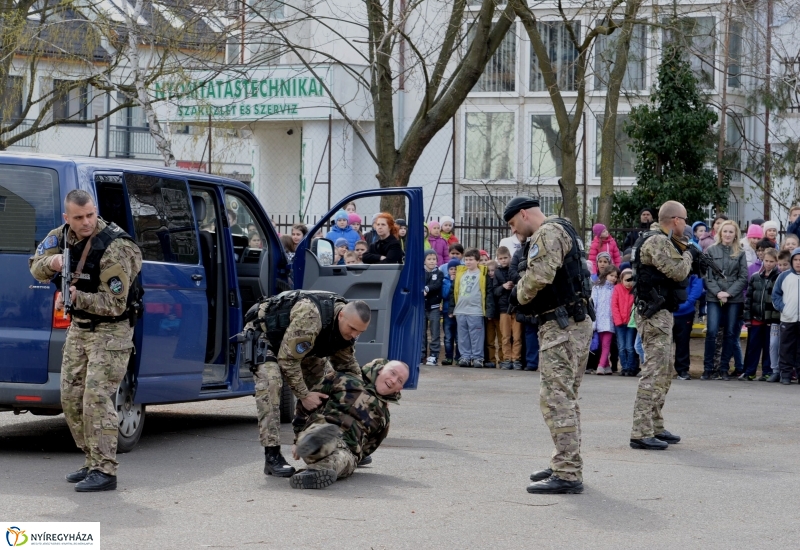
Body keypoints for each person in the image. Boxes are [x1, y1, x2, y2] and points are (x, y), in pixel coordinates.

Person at [28, 189, 143, 492]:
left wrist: (79, 298)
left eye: (90, 214)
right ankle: (92, 459)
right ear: (67, 218)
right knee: (70, 397)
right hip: (80, 329)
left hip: (112, 330)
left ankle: (106, 470)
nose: (86, 222)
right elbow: (35, 266)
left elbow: (115, 304)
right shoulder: (61, 236)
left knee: (96, 398)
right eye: (79, 217)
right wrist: (52, 263)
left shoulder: (115, 247)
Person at [504, 197, 594, 494]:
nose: (516, 231)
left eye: (514, 224)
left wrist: (517, 293)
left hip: (562, 326)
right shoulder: (564, 227)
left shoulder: (547, 232)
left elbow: (540, 276)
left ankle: (567, 473)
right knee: (565, 398)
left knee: (555, 400)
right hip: (573, 323)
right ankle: (564, 463)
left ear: (523, 213)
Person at [239, 290, 371, 478]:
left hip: (298, 344)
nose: (354, 335)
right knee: (271, 383)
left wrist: (365, 395)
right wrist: (304, 395)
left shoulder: (345, 329)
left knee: (329, 385)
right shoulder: (311, 316)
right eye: (352, 328)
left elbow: (347, 366)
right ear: (341, 315)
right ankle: (272, 456)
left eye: (360, 332)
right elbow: (287, 360)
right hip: (267, 338)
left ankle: (339, 445)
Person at [628, 200, 695, 452]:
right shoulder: (657, 241)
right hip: (654, 315)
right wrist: (689, 253)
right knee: (653, 372)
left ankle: (655, 424)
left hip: (662, 313)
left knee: (665, 371)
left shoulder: (663, 240)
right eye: (684, 219)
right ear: (675, 220)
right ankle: (640, 431)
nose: (686, 224)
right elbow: (677, 271)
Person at [289, 359, 408, 489]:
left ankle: (313, 474)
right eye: (392, 373)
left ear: (399, 388)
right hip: (324, 428)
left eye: (400, 381)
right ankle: (310, 444)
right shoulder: (346, 379)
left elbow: (369, 446)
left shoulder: (384, 417)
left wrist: (357, 455)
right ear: (380, 370)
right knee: (323, 437)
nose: (394, 380)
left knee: (340, 460)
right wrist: (297, 436)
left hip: (347, 448)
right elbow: (307, 402)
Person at [702, 220, 748, 380]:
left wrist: (728, 293)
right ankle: (708, 368)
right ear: (720, 233)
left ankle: (723, 368)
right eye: (725, 231)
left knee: (730, 333)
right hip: (714, 297)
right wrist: (718, 293)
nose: (728, 234)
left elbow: (743, 277)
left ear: (735, 234)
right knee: (712, 332)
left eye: (731, 232)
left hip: (733, 299)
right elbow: (707, 276)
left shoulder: (740, 252)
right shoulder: (711, 250)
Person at [448, 248, 492, 368]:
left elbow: (488, 293)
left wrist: (489, 310)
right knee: (463, 336)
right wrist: (452, 309)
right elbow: (453, 292)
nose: (468, 262)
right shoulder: (460, 274)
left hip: (475, 311)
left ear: (477, 260)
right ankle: (465, 356)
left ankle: (478, 357)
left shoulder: (482, 274)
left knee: (476, 335)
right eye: (466, 259)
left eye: (471, 260)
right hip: (460, 310)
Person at [742, 248, 780, 381]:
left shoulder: (779, 278)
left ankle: (767, 372)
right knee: (753, 346)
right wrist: (747, 318)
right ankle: (750, 372)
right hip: (756, 318)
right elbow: (749, 299)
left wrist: (775, 319)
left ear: (776, 262)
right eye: (766, 261)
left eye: (771, 261)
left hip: (771, 319)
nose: (768, 264)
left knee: (769, 347)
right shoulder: (755, 277)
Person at [771, 247, 800, 385]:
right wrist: (784, 308)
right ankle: (786, 374)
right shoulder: (784, 276)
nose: (798, 262)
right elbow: (776, 295)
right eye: (795, 260)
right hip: (788, 319)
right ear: (792, 261)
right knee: (786, 348)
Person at [510, 244, 539, 372]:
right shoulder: (519, 252)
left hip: (542, 293)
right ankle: (531, 362)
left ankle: (544, 363)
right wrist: (525, 282)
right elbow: (512, 271)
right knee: (529, 330)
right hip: (526, 296)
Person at [493, 246, 522, 370]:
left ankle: (516, 358)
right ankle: (507, 358)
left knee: (517, 336)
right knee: (505, 336)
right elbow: (494, 291)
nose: (503, 260)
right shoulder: (497, 272)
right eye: (501, 258)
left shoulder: (514, 270)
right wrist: (503, 286)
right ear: (498, 260)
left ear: (510, 257)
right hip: (504, 308)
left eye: (505, 258)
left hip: (516, 306)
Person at [671, 271, 704, 380]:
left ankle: (682, 369)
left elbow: (697, 286)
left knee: (683, 342)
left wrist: (687, 303)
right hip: (666, 311)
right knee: (663, 343)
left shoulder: (692, 264)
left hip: (685, 312)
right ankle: (662, 369)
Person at [768, 251, 792, 382]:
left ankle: (787, 371)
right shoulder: (777, 277)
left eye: (785, 264)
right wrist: (782, 307)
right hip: (776, 317)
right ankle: (775, 370)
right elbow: (773, 296)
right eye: (780, 264)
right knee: (774, 344)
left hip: (791, 318)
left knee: (788, 345)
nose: (782, 267)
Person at [592, 265, 619, 375]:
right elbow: (593, 303)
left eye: (615, 276)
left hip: (610, 320)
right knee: (602, 344)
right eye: (611, 275)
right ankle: (606, 366)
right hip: (599, 318)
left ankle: (601, 365)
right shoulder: (597, 287)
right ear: (605, 275)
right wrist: (593, 320)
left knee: (606, 344)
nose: (613, 278)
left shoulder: (615, 288)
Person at [613, 267, 637, 376]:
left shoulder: (635, 291)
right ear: (621, 280)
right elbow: (614, 305)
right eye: (626, 280)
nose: (628, 283)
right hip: (620, 324)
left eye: (631, 280)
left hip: (631, 324)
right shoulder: (617, 289)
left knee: (630, 347)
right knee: (621, 347)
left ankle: (631, 367)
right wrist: (618, 321)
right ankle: (624, 367)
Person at [422, 250, 443, 366]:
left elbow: (437, 285)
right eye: (429, 259)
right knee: (422, 332)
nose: (432, 261)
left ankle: (434, 355)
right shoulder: (420, 272)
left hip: (434, 307)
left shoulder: (439, 273)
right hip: (422, 307)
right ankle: (421, 354)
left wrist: (426, 289)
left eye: (434, 259)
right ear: (424, 261)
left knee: (435, 332)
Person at [441, 259, 459, 365]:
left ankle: (458, 357)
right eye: (451, 269)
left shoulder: (462, 279)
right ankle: (448, 357)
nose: (453, 271)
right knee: (448, 336)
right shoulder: (445, 280)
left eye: (456, 269)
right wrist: (452, 282)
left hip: (459, 311)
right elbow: (445, 295)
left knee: (458, 336)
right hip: (447, 311)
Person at [484, 260, 501, 368]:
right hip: (489, 315)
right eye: (489, 271)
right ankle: (491, 360)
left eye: (493, 270)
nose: (491, 273)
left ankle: (502, 359)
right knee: (490, 340)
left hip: (499, 314)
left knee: (501, 339)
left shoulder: (498, 281)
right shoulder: (485, 282)